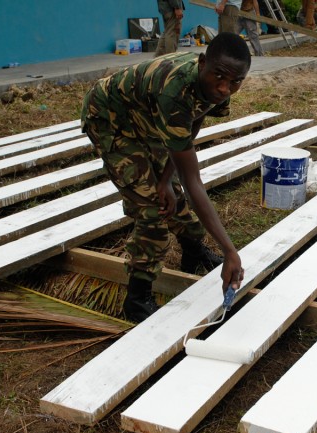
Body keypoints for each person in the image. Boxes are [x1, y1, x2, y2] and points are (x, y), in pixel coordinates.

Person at [80, 33, 250, 322]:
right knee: (152, 208)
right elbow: (193, 180)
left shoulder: (218, 86)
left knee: (169, 193)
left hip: (148, 117)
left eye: (235, 82)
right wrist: (230, 250)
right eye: (219, 77)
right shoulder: (175, 92)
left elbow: (193, 122)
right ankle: (137, 298)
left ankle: (193, 252)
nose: (225, 88)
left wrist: (165, 178)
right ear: (202, 63)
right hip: (111, 119)